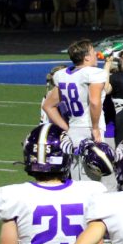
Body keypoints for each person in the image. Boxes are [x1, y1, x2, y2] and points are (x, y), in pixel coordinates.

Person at [42, 39, 109, 180]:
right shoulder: (94, 73)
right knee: (91, 180)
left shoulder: (62, 75)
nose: (96, 54)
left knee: (76, 176)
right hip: (89, 129)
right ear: (86, 57)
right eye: (93, 52)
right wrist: (95, 127)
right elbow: (94, 102)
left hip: (73, 130)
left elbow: (48, 105)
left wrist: (66, 127)